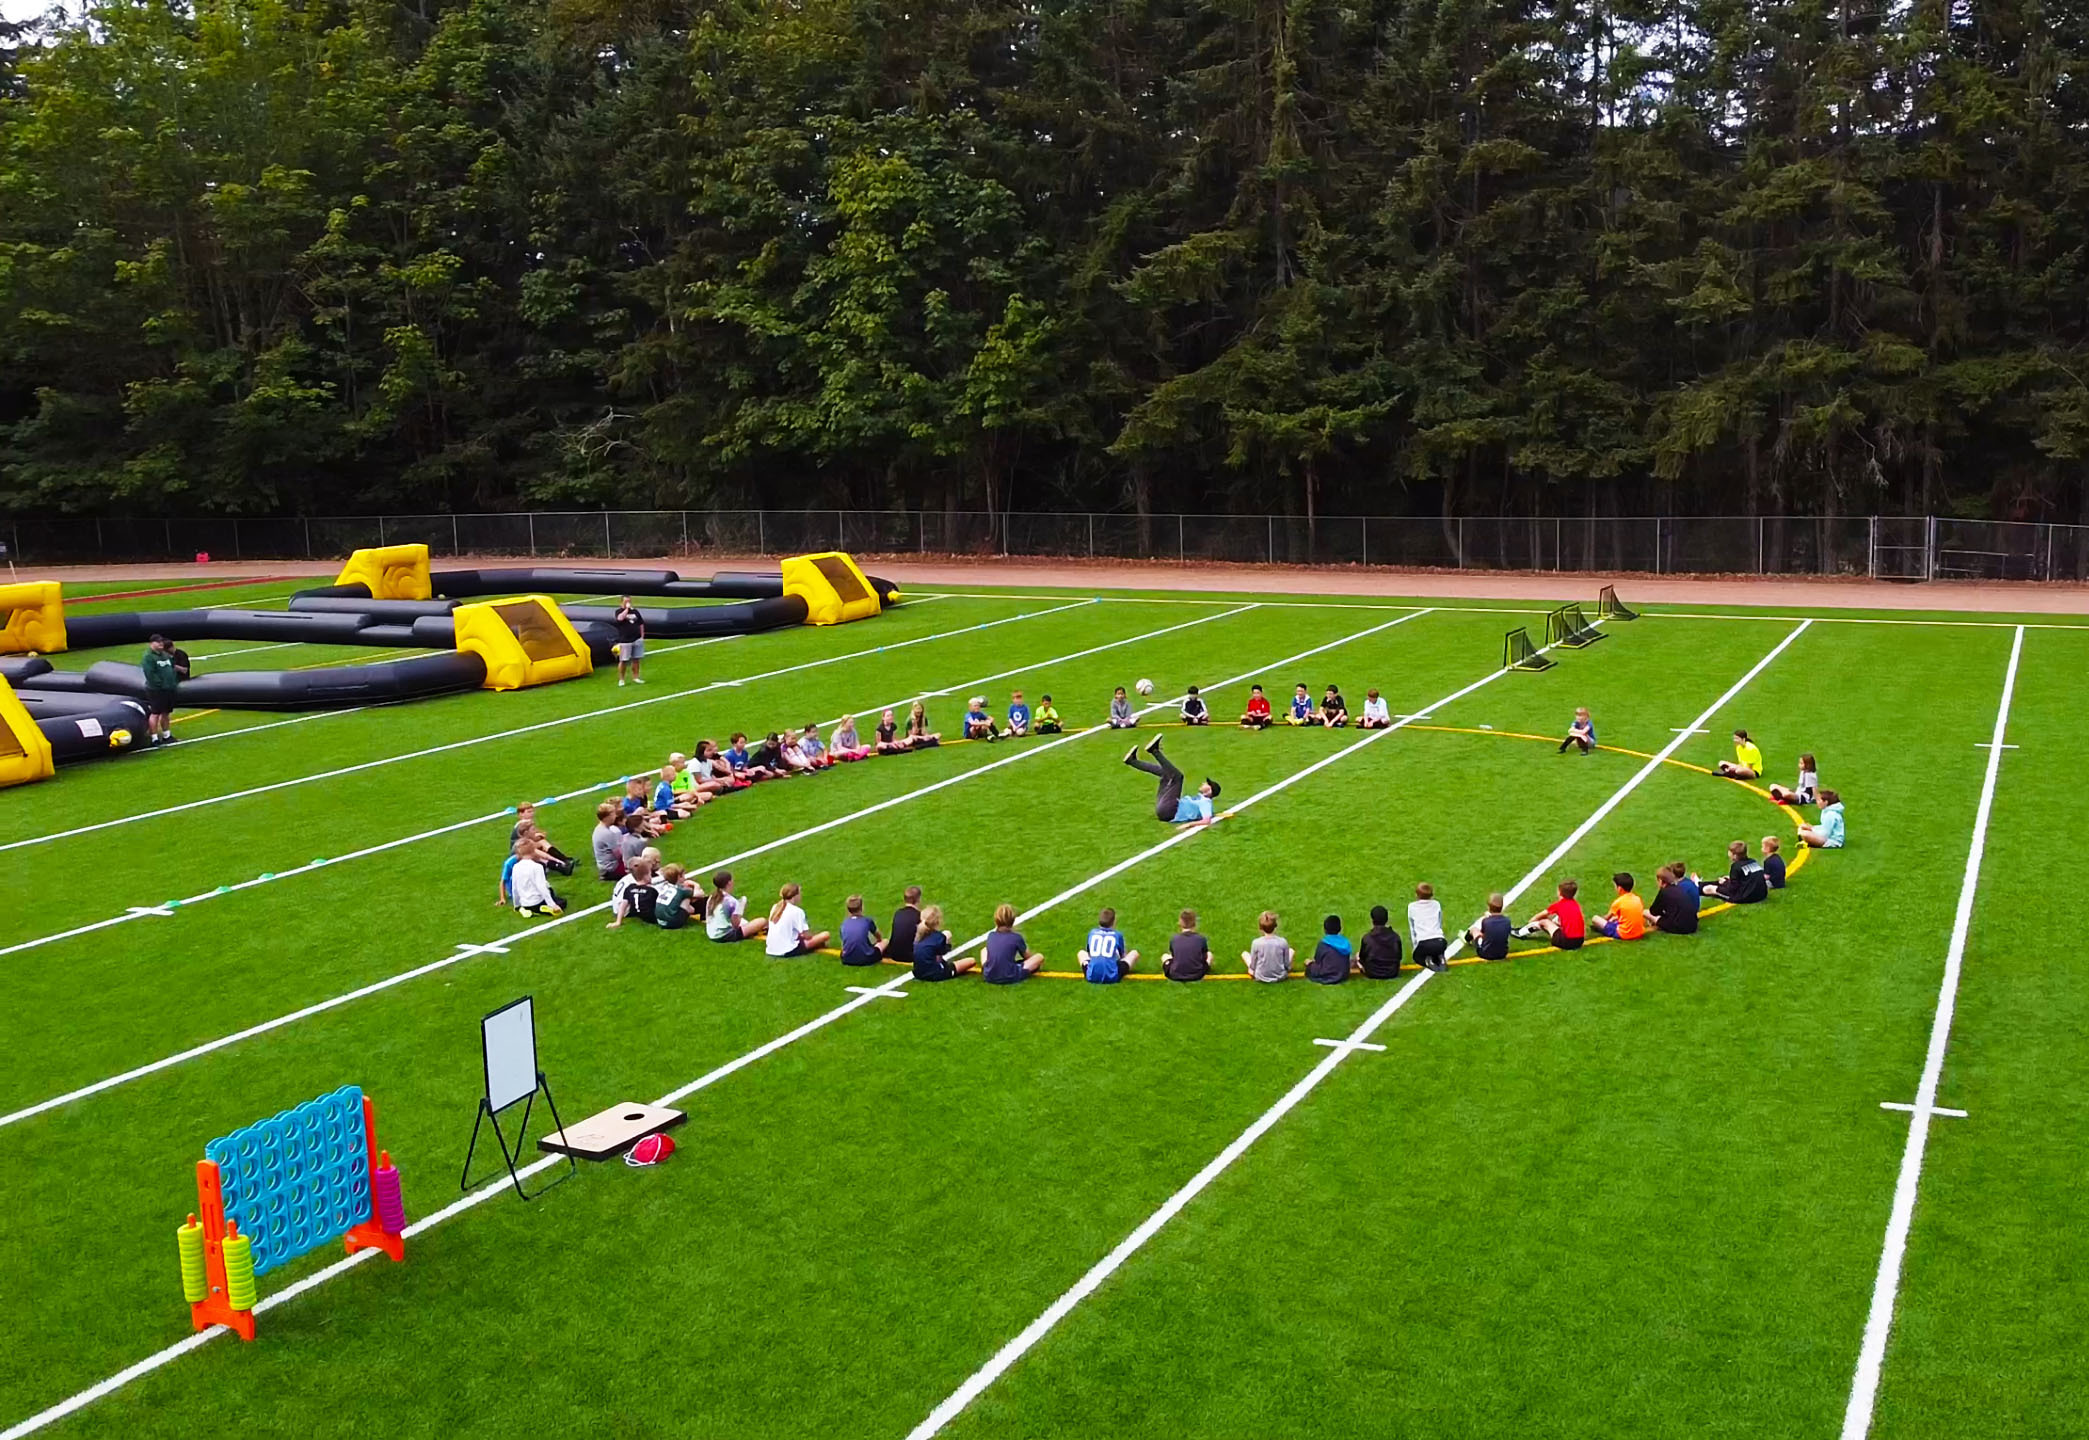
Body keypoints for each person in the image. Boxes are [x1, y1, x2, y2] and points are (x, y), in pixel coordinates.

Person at [1123, 735, 1219, 826]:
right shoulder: (1200, 799)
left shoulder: (1206, 802)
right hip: (1164, 809)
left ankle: (1155, 751)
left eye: (1207, 784)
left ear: (1210, 791)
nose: (1203, 783)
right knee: (1166, 774)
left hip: (1169, 812)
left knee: (1178, 777)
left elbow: (1207, 820)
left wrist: (1189, 824)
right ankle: (1132, 761)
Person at [979, 903, 1044, 983]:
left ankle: (987, 969)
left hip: (989, 976)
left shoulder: (991, 935)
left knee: (984, 950)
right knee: (1039, 957)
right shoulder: (1016, 937)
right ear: (1013, 921)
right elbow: (1027, 957)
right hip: (1009, 975)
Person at [1515, 879, 1585, 950]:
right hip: (1580, 941)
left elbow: (1540, 915)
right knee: (1556, 920)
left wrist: (1532, 921)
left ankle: (1520, 932)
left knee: (1544, 921)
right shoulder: (1576, 905)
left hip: (1566, 942)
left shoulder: (1559, 905)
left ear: (1559, 892)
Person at [911, 905, 976, 981]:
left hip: (918, 973)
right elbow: (944, 951)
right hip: (936, 974)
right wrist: (947, 943)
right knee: (971, 961)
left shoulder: (918, 935)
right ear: (937, 922)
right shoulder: (939, 937)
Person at [765, 883, 830, 957]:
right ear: (795, 896)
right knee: (825, 935)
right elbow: (806, 935)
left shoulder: (775, 907)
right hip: (787, 950)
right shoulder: (797, 911)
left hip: (770, 949)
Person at [704, 871, 768, 942]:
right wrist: (741, 907)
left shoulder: (712, 897)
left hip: (711, 932)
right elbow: (736, 925)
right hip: (723, 935)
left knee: (745, 922)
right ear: (729, 883)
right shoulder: (731, 901)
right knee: (762, 921)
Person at [141, 634, 181, 745]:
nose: (160, 644)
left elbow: (172, 668)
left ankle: (167, 735)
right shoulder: (148, 657)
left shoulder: (165, 655)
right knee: (155, 713)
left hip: (169, 688)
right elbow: (150, 674)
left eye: (161, 642)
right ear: (151, 643)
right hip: (156, 690)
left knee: (166, 712)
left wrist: (173, 682)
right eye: (158, 642)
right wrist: (160, 684)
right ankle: (154, 738)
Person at [1078, 907, 1137, 983]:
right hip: (1112, 976)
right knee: (1134, 953)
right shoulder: (1117, 935)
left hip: (1091, 976)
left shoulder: (1092, 932)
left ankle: (1095, 968)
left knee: (1081, 953)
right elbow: (1123, 955)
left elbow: (1089, 954)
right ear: (1114, 921)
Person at [1700, 840, 1769, 903]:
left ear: (1734, 855)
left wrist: (1725, 883)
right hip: (1761, 895)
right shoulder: (1753, 861)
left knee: (1708, 889)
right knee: (1724, 880)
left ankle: (1698, 887)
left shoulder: (1736, 866)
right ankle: (1699, 883)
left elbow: (1732, 889)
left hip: (1745, 897)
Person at [509, 840, 564, 918]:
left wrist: (517, 904)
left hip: (525, 902)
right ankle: (543, 908)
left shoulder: (515, 867)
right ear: (533, 851)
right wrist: (552, 905)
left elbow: (514, 887)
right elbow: (542, 887)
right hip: (537, 901)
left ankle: (524, 909)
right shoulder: (537, 867)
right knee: (562, 901)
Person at [607, 856, 661, 929]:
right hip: (652, 917)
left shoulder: (629, 888)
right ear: (646, 876)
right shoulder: (651, 891)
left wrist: (618, 921)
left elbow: (623, 904)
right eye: (650, 874)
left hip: (634, 912)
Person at [1591, 872, 1647, 941]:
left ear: (1619, 888)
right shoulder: (1637, 898)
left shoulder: (1618, 902)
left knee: (1595, 919)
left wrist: (1601, 920)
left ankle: (1601, 929)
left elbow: (1607, 918)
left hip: (1624, 934)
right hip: (1639, 932)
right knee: (1615, 918)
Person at [1242, 911, 1294, 983]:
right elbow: (1287, 965)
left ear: (1260, 928)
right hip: (1281, 975)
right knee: (1291, 951)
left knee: (1244, 954)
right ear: (1275, 926)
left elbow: (1253, 965)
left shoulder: (1256, 943)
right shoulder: (1283, 942)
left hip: (1260, 976)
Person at [1647, 865, 1700, 935]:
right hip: (1693, 925)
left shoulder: (1664, 892)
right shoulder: (1679, 888)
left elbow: (1654, 911)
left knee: (1645, 912)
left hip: (1680, 927)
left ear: (1660, 881)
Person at [1305, 915, 1356, 984]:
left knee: (1309, 963)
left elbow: (1318, 961)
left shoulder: (1323, 944)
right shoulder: (1345, 942)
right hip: (1343, 974)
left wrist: (1310, 964)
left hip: (1327, 973)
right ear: (1340, 928)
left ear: (1325, 930)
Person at [1163, 909, 1211, 981]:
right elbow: (1204, 957)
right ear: (1195, 922)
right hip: (1197, 974)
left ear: (1180, 922)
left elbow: (1174, 956)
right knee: (1210, 955)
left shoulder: (1174, 939)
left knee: (1165, 956)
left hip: (1175, 974)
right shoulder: (1201, 939)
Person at [1408, 882, 1447, 971]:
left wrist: (1415, 947)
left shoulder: (1412, 907)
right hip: (1440, 942)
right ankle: (1440, 957)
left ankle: (1427, 960)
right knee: (1435, 950)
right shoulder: (1436, 904)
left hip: (1423, 943)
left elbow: (1412, 929)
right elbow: (1439, 923)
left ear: (1417, 895)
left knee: (1417, 957)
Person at [1358, 905, 1404, 978]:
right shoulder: (1395, 937)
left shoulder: (1367, 938)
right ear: (1386, 919)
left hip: (1372, 972)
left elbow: (1362, 958)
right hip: (1392, 972)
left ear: (1372, 920)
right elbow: (1399, 956)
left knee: (1357, 956)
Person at [839, 895, 885, 966]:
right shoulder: (867, 920)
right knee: (885, 942)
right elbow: (878, 937)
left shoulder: (844, 923)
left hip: (846, 959)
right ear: (862, 907)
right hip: (866, 959)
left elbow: (844, 942)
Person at [1464, 893, 1512, 960]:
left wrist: (1486, 917)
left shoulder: (1486, 921)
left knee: (1474, 930)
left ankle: (1466, 938)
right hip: (1503, 953)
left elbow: (1484, 934)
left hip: (1485, 954)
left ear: (1489, 907)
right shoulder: (1507, 921)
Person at [653, 863, 699, 930]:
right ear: (679, 877)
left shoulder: (664, 886)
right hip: (673, 922)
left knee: (679, 898)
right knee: (687, 895)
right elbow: (700, 894)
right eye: (683, 875)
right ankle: (687, 910)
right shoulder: (681, 890)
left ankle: (684, 910)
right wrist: (695, 884)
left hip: (660, 921)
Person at [612, 597, 646, 686]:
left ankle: (636, 677)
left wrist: (642, 636)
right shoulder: (618, 611)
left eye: (629, 601)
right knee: (623, 660)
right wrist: (626, 609)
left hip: (636, 639)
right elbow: (620, 618)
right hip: (625, 640)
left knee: (636, 659)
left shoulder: (635, 611)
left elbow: (641, 623)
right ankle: (621, 679)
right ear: (621, 602)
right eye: (626, 601)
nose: (628, 602)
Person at [888, 886, 923, 967]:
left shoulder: (898, 913)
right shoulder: (919, 916)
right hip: (910, 956)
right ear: (918, 899)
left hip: (893, 954)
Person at [591, 801, 627, 880]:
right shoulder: (607, 833)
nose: (615, 816)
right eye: (613, 814)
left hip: (604, 866)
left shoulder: (599, 829)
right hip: (611, 868)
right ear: (606, 817)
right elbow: (619, 854)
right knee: (638, 868)